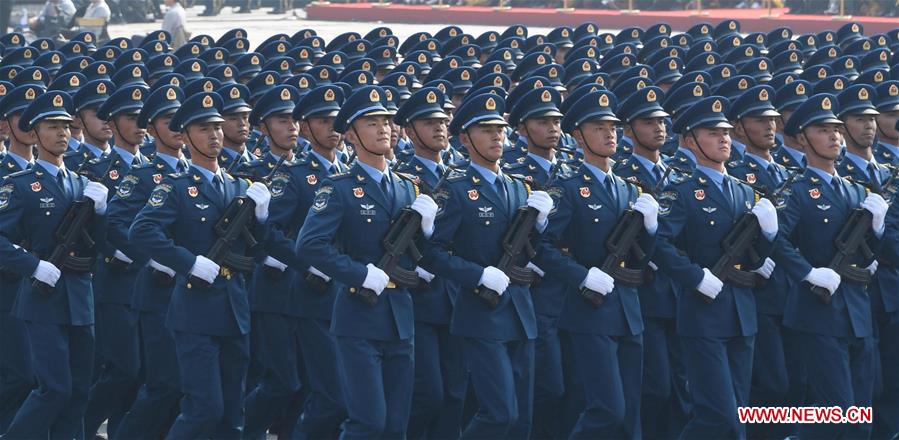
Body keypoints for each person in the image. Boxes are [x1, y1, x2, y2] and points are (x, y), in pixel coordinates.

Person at [296, 85, 435, 439]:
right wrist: (359, 274)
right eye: (372, 123)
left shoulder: (409, 187)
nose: (384, 129)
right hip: (358, 317)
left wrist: (428, 231)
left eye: (386, 121)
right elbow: (309, 245)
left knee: (395, 427)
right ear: (351, 135)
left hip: (400, 317)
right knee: (368, 423)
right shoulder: (339, 187)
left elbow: (420, 253)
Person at [130, 91, 271, 438]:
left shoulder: (240, 186)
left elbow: (256, 248)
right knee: (204, 409)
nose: (214, 136)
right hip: (195, 310)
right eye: (204, 129)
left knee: (233, 417)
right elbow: (141, 231)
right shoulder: (176, 187)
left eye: (217, 128)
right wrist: (188, 263)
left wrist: (262, 217)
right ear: (185, 135)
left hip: (235, 309)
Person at [420, 93, 552, 438]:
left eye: (500, 130)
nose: (496, 137)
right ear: (465, 138)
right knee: (499, 414)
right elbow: (431, 252)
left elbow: (533, 252)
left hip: (521, 313)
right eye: (486, 130)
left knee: (521, 421)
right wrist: (477, 274)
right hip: (482, 314)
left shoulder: (520, 187)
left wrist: (540, 227)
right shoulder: (455, 189)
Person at [654, 96, 780, 438]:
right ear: (689, 141)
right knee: (719, 416)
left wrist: (769, 235)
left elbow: (754, 256)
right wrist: (695, 276)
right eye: (712, 133)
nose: (723, 138)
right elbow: (659, 243)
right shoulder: (681, 192)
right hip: (703, 315)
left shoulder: (745, 192)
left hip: (742, 313)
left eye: (725, 132)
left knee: (737, 416)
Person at [773, 93, 886, 439]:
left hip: (857, 311)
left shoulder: (856, 190)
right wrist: (807, 272)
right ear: (801, 139)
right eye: (823, 130)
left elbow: (869, 252)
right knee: (838, 413)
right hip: (818, 313)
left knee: (861, 419)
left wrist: (878, 229)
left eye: (836, 129)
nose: (834, 136)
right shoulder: (795, 190)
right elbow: (775, 240)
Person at [1, 90, 109, 439]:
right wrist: (31, 266)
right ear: (34, 133)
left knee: (78, 392)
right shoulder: (20, 185)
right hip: (42, 299)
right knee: (54, 389)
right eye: (52, 126)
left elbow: (99, 244)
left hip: (80, 297)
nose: (62, 133)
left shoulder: (83, 184)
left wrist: (101, 213)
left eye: (65, 125)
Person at [112, 84, 189, 440]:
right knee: (163, 384)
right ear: (152, 128)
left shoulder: (198, 174)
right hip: (159, 293)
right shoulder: (142, 175)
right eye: (168, 120)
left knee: (188, 388)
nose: (177, 126)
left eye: (181, 118)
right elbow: (115, 224)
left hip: (197, 295)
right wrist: (154, 259)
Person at [393, 87, 468, 440]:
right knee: (427, 393)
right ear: (409, 131)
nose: (439, 127)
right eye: (428, 122)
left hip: (457, 295)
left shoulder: (462, 173)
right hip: (419, 298)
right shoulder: (402, 177)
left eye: (442, 121)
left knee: (456, 394)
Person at [0, 84, 42, 435]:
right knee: (19, 375)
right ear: (5, 125)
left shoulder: (53, 173)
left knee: (42, 378)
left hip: (45, 289)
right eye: (22, 117)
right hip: (8, 286)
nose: (31, 124)